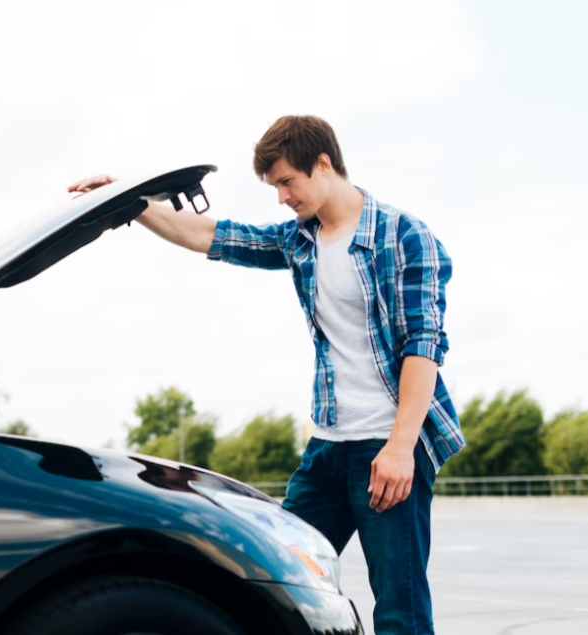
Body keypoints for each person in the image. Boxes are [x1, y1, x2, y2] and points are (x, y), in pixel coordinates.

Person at [68, 115, 465, 635]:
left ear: (322, 165)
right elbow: (210, 235)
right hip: (327, 449)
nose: (281, 197)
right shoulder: (302, 241)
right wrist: (129, 201)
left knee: (400, 607)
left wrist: (399, 448)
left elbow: (424, 346)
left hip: (388, 444)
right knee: (275, 578)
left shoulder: (403, 236)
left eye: (285, 182)